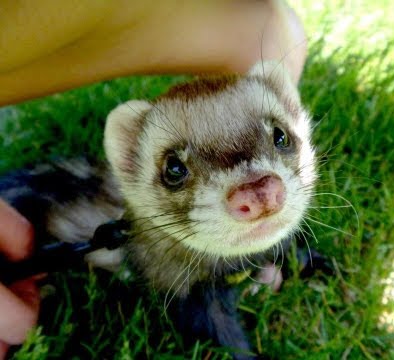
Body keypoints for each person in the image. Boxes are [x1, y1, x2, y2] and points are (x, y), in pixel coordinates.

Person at [0, 0, 307, 357]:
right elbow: (202, 312)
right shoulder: (171, 257)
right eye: (176, 171)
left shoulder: (259, 24)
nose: (261, 192)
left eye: (280, 139)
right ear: (130, 166)